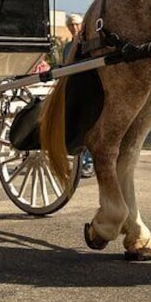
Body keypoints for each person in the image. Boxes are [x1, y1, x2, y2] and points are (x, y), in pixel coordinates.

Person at [64, 12, 94, 178]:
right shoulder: (68, 47)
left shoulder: (88, 43)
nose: (74, 28)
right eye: (71, 25)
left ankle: (88, 163)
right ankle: (80, 162)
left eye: (76, 24)